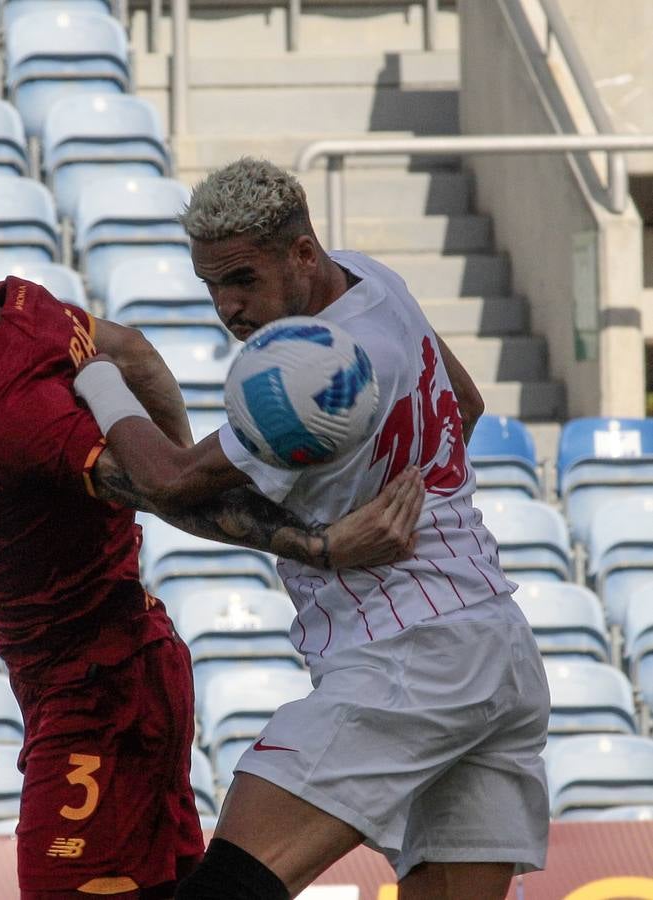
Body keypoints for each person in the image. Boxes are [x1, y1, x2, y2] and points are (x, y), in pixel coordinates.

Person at [0, 155, 425, 899]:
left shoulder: (16, 413)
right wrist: (170, 456)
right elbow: (132, 353)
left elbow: (165, 491)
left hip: (98, 698)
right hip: (107, 679)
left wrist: (317, 545)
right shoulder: (22, 307)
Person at [73, 157, 551, 900]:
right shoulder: (367, 277)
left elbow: (166, 479)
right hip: (493, 639)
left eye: (242, 280)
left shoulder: (314, 366)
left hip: (406, 657)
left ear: (300, 254)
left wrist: (95, 375)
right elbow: (464, 400)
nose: (227, 308)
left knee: (227, 889)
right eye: (211, 285)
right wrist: (384, 472)